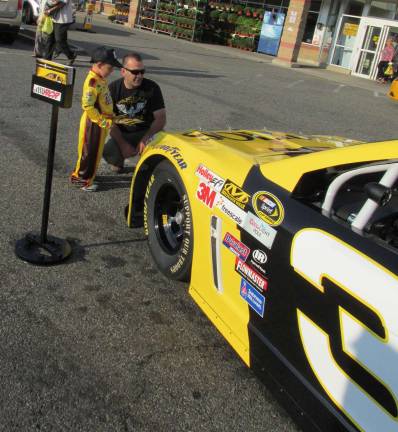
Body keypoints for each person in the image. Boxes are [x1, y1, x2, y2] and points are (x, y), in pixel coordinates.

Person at [70, 46, 123, 192]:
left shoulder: (100, 79)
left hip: (100, 123)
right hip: (93, 123)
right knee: (89, 151)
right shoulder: (92, 82)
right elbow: (87, 106)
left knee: (96, 151)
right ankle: (82, 179)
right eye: (110, 67)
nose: (112, 70)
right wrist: (102, 121)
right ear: (99, 65)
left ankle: (89, 174)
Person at [102, 52, 166, 172]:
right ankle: (119, 160)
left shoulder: (152, 88)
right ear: (123, 71)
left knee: (161, 142)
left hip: (146, 131)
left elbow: (161, 118)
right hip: (122, 133)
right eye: (135, 72)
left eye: (142, 71)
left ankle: (147, 163)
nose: (140, 75)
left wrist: (146, 138)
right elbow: (109, 122)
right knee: (113, 164)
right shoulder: (112, 89)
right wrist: (123, 145)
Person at [44, 0, 77, 65]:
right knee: (50, 39)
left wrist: (50, 11)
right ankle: (47, 60)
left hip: (63, 20)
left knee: (60, 40)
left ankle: (71, 55)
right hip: (54, 18)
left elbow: (62, 3)